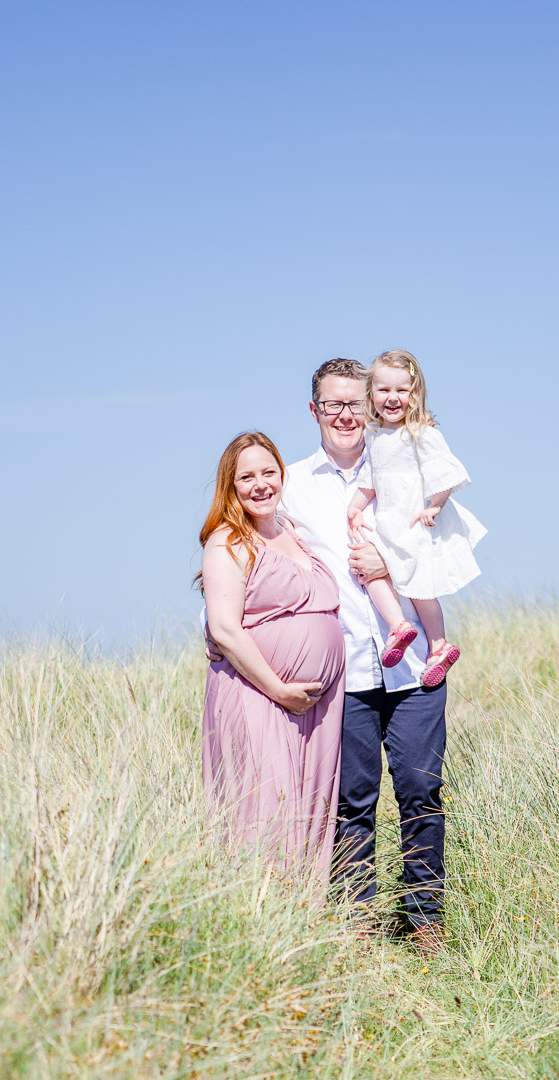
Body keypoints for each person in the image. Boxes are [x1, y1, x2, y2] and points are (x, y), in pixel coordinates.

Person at [279, 359, 452, 953]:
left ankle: (425, 918)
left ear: (373, 405)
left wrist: (393, 568)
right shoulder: (292, 486)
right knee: (351, 800)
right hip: (344, 670)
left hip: (415, 667)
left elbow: (446, 548)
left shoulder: (407, 461)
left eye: (356, 403)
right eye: (334, 404)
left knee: (420, 788)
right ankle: (357, 925)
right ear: (315, 411)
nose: (347, 415)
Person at [200, 431, 345, 888]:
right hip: (257, 694)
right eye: (247, 477)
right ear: (231, 485)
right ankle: (257, 924)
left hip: (318, 705)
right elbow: (225, 628)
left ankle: (304, 923)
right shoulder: (227, 541)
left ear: (283, 475)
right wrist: (279, 688)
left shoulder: (295, 534)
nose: (260, 484)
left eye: (268, 472)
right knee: (265, 809)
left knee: (312, 809)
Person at [347, 349, 487, 686]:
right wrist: (354, 506)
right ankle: (400, 627)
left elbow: (445, 471)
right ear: (371, 394)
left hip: (414, 519)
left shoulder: (420, 431)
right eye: (383, 390)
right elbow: (370, 479)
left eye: (401, 390)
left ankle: (438, 645)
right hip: (390, 521)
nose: (392, 398)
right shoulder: (374, 434)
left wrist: (435, 505)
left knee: (421, 587)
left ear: (415, 393)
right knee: (370, 572)